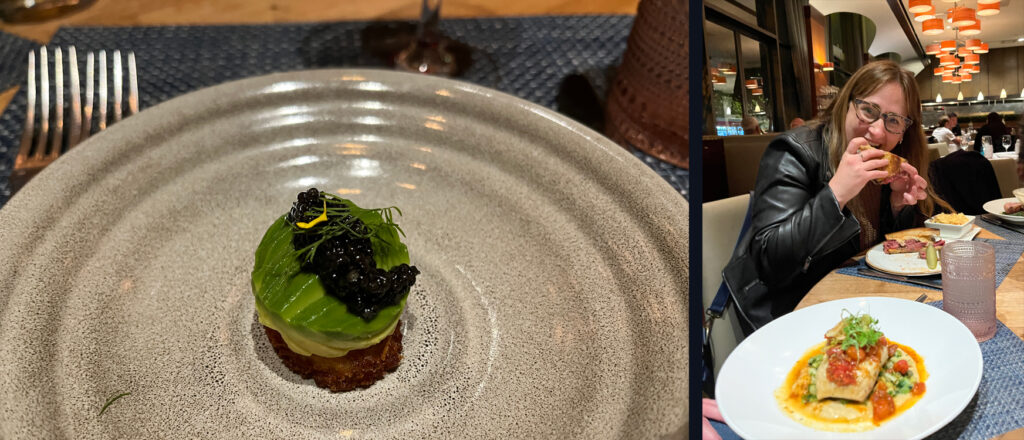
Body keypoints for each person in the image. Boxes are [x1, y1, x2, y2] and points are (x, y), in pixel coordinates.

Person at [722, 60, 950, 334]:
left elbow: (874, 253)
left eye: (893, 121)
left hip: (857, 303)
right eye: (868, 110)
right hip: (790, 313)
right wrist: (837, 193)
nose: (877, 131)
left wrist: (896, 205)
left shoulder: (885, 170)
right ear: (846, 105)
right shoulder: (795, 151)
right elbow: (771, 263)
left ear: (904, 132)